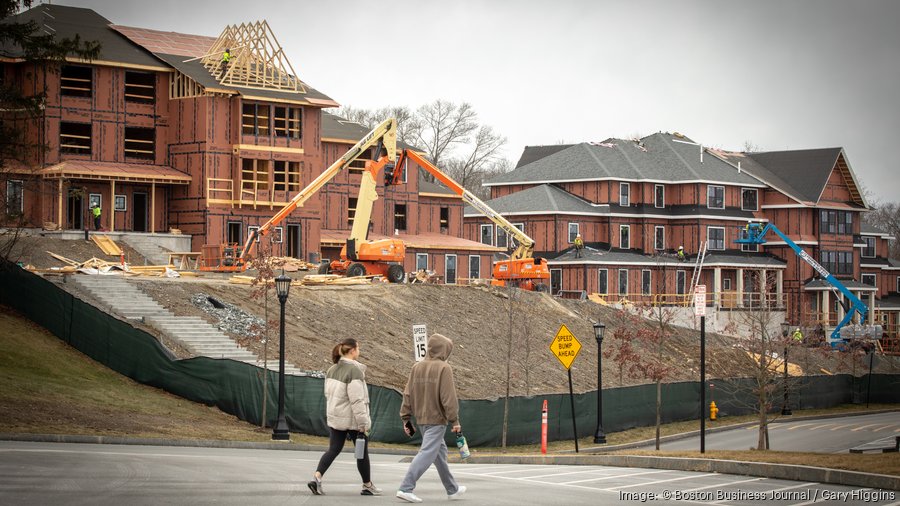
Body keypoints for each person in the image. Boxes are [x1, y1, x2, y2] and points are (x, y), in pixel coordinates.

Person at [396, 333, 466, 503]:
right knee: (428, 453)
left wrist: (405, 417)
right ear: (444, 350)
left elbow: (407, 394)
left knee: (439, 454)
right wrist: (454, 420)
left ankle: (452, 489)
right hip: (436, 420)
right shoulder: (444, 368)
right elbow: (448, 398)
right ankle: (406, 487)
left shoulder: (417, 367)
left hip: (421, 419)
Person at [308, 338, 382, 497]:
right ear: (353, 350)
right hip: (354, 419)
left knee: (333, 449)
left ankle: (317, 477)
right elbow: (357, 400)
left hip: (336, 417)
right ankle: (367, 485)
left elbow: (328, 394)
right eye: (358, 348)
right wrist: (364, 423)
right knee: (361, 452)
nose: (359, 351)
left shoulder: (332, 369)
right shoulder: (354, 371)